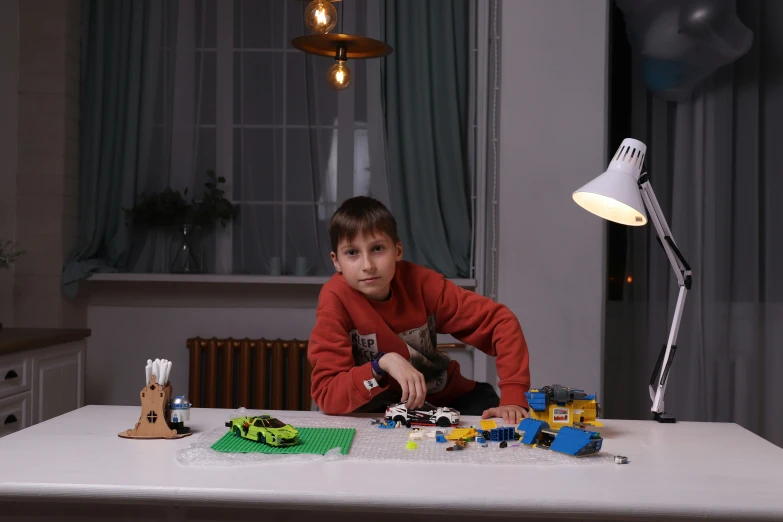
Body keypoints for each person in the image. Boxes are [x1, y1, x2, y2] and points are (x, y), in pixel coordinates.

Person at [308, 196, 531, 425]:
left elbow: (500, 323)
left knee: (498, 426)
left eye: (377, 248)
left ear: (397, 250)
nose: (367, 265)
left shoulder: (421, 284)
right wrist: (382, 363)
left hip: (444, 397)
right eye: (352, 253)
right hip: (374, 404)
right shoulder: (335, 298)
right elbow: (327, 393)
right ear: (336, 262)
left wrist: (514, 396)